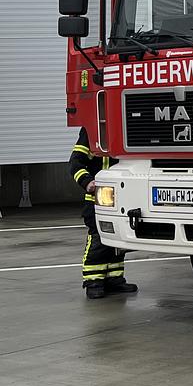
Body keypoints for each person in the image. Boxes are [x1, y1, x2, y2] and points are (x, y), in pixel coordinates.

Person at [69, 127, 136, 300]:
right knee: (98, 239)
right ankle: (93, 281)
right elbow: (75, 163)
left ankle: (114, 279)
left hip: (122, 198)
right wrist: (87, 181)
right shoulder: (92, 131)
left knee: (118, 241)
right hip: (97, 199)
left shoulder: (124, 128)